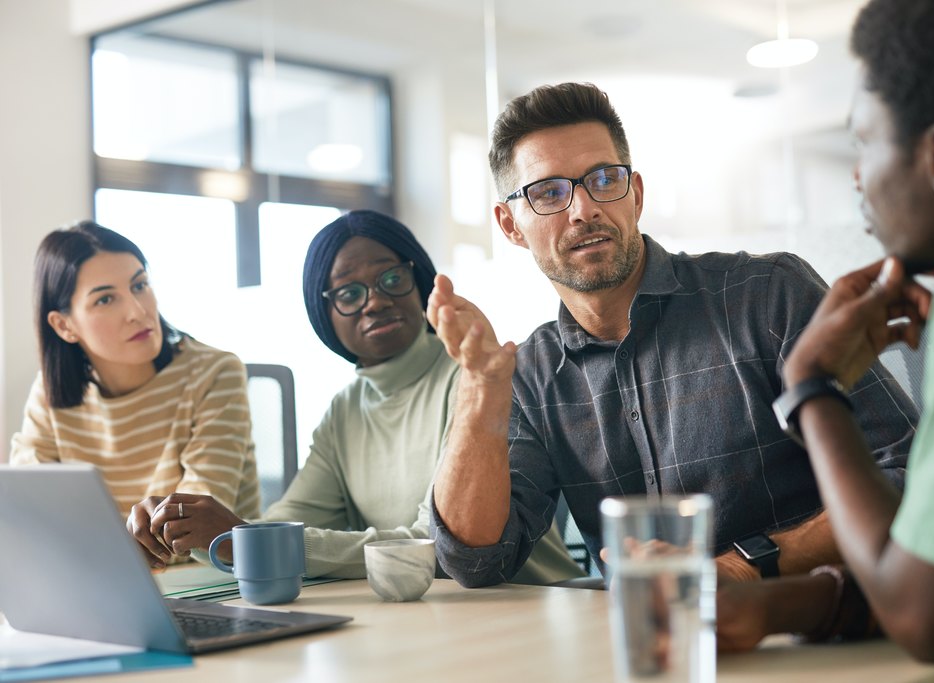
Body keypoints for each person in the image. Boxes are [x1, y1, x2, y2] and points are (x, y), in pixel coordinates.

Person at [426, 82, 919, 589]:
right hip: (650, 649)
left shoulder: (766, 294)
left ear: (635, 195)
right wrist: (480, 390)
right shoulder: (531, 373)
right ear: (510, 224)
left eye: (603, 179)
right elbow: (475, 562)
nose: (584, 209)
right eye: (549, 192)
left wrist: (745, 566)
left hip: (818, 629)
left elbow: (911, 473)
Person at [716, 0, 934, 663]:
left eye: (864, 140)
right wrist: (784, 603)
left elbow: (927, 618)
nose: (857, 175)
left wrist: (811, 387)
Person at [127, 210, 583, 583]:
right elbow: (292, 519)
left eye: (390, 280)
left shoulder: (476, 381)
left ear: (420, 282)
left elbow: (439, 545)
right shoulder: (344, 410)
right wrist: (194, 529)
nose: (374, 302)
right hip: (428, 623)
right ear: (323, 314)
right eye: (348, 292)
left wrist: (243, 538)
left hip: (532, 608)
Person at [10, 221, 260, 522]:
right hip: (101, 569)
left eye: (139, 285)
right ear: (64, 326)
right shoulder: (49, 394)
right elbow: (31, 515)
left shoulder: (215, 374)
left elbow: (194, 529)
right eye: (105, 299)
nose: (138, 312)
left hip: (206, 569)